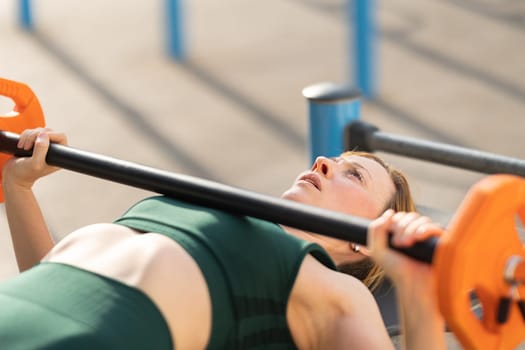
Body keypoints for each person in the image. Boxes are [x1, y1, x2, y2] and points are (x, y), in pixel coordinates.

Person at [0, 128, 446, 349]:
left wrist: (415, 288)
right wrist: (19, 187)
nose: (324, 161)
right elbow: (59, 281)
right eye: (333, 158)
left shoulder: (334, 289)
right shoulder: (217, 208)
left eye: (354, 175)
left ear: (364, 243)